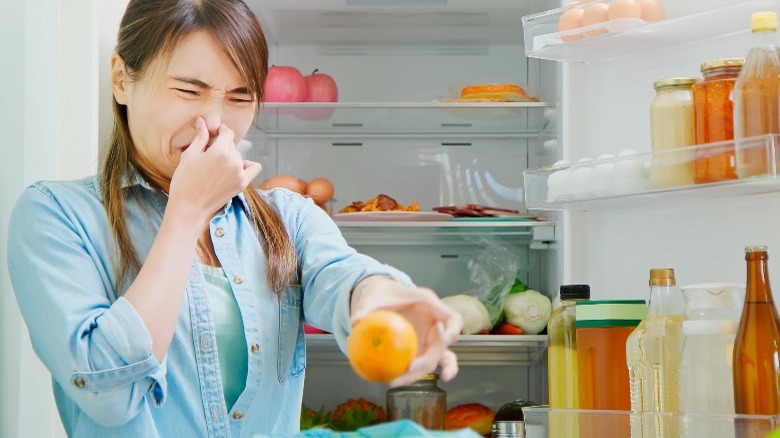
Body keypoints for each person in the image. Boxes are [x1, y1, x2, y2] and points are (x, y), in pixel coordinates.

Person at [6, 0, 463, 436]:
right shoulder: (56, 217)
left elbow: (343, 274)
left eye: (240, 98)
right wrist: (187, 211)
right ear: (122, 79)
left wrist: (379, 299)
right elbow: (110, 393)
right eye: (189, 90)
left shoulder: (289, 218)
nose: (215, 121)